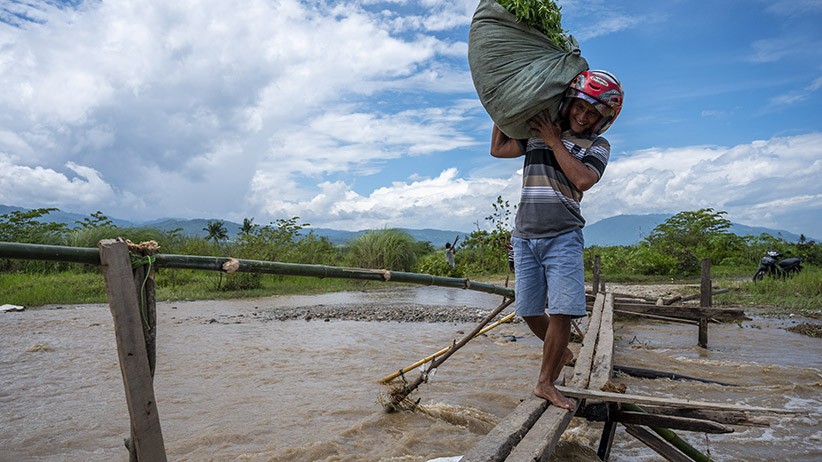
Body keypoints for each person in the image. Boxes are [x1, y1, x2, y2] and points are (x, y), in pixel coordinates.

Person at [490, 70, 624, 411]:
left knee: (563, 310)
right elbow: (498, 148)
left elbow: (582, 180)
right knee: (530, 311)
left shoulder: (597, 145)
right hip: (524, 236)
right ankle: (561, 353)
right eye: (579, 107)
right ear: (570, 103)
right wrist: (502, 105)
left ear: (603, 119)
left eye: (592, 113)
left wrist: (553, 141)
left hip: (563, 235)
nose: (582, 116)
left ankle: (545, 383)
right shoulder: (537, 132)